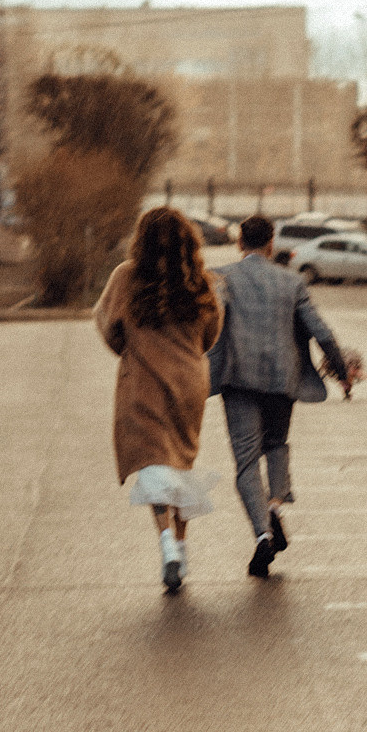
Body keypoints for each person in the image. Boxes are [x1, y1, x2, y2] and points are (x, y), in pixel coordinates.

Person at [208, 214, 363, 579]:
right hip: (283, 380)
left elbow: (208, 326)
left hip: (239, 380)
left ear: (240, 243)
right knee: (276, 444)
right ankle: (275, 506)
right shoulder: (292, 282)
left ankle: (262, 533)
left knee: (246, 461)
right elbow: (320, 331)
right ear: (271, 243)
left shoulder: (223, 278)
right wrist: (341, 372)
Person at [94, 206, 224, 594]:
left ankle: (167, 543)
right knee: (180, 464)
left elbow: (108, 326)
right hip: (189, 383)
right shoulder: (199, 280)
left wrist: (133, 350)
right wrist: (188, 356)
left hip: (145, 380)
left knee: (155, 464)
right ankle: (181, 551)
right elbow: (211, 332)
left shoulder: (126, 276)